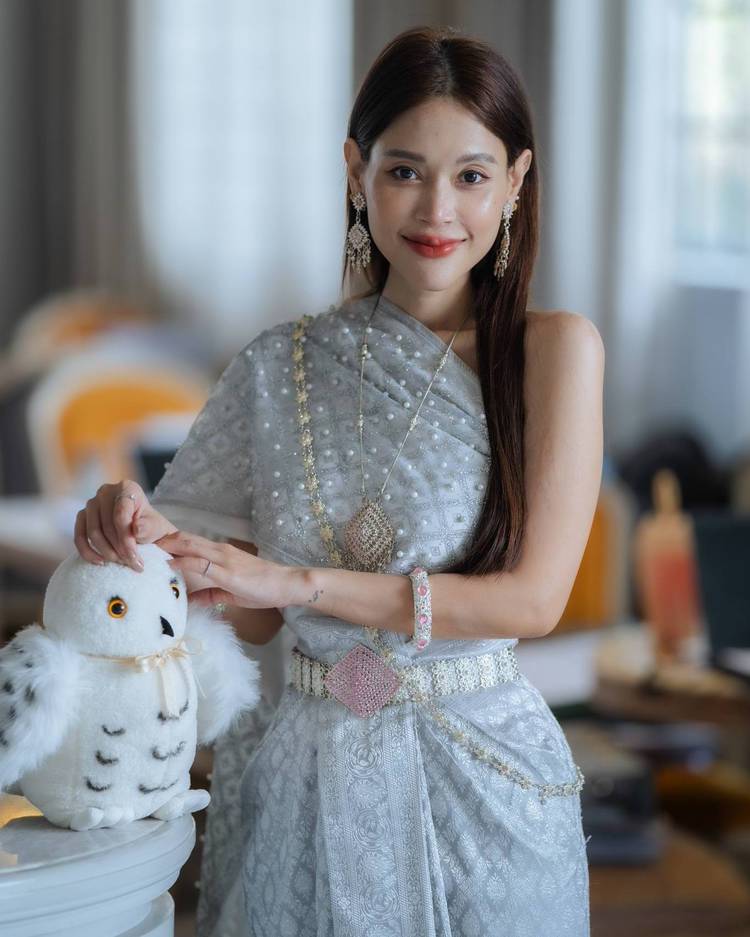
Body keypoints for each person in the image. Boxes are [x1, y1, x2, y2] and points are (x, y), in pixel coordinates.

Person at [74, 24, 603, 937]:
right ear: (357, 171)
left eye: (472, 175)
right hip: (305, 788)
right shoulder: (277, 366)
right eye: (404, 171)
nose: (438, 209)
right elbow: (245, 614)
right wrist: (135, 538)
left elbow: (533, 600)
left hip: (485, 795)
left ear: (516, 182)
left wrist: (299, 581)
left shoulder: (553, 351)